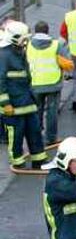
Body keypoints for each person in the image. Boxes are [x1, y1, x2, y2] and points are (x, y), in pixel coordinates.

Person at [1, 21, 48, 169]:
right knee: (16, 136)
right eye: (23, 38)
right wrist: (5, 103)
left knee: (35, 132)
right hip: (13, 106)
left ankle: (39, 159)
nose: (26, 41)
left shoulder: (19, 52)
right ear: (14, 38)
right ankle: (18, 161)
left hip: (27, 102)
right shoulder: (4, 56)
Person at [26, 21, 72, 144]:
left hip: (35, 84)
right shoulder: (57, 45)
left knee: (36, 112)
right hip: (53, 84)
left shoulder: (28, 45)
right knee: (52, 112)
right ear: (48, 31)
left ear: (35, 31)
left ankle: (36, 136)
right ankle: (51, 137)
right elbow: (67, 64)